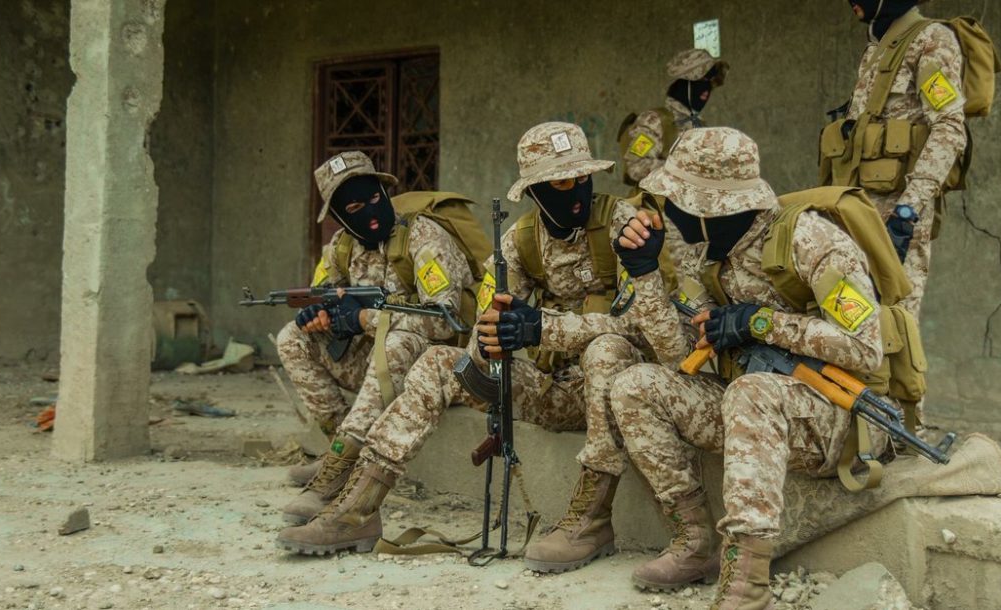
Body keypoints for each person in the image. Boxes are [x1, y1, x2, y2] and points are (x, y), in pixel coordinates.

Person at [274, 122, 689, 562]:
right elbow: (479, 332)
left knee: (607, 348)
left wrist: (541, 328)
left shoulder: (625, 225)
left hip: (621, 396)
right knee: (439, 362)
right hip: (553, 391)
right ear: (535, 190)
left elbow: (646, 329)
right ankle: (358, 505)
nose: (577, 190)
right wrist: (492, 340)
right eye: (563, 182)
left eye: (584, 177)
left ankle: (592, 518)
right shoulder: (520, 242)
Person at [610, 127, 888, 609]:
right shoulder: (707, 254)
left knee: (751, 392)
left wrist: (761, 322)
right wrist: (644, 273)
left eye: (677, 200)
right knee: (636, 385)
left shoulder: (813, 242)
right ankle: (695, 542)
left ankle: (747, 581)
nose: (667, 210)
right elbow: (679, 358)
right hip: (757, 410)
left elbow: (866, 350)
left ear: (709, 207)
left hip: (838, 415)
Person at [276, 151, 478, 525]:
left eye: (374, 198)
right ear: (340, 217)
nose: (370, 213)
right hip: (375, 368)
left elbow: (445, 320)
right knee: (292, 337)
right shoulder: (341, 246)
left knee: (394, 341)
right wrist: (321, 315)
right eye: (355, 207)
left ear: (384, 192)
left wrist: (365, 318)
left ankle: (338, 471)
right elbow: (325, 292)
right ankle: (340, 450)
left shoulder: (423, 236)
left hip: (432, 371)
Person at [838, 0, 966, 319]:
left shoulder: (931, 39)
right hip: (857, 209)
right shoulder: (878, 45)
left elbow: (949, 127)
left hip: (896, 213)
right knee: (853, 321)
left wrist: (907, 212)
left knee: (896, 322)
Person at [619, 48, 729, 189]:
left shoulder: (699, 125)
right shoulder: (655, 120)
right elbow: (636, 167)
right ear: (684, 83)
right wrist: (684, 172)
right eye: (703, 80)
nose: (707, 88)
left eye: (711, 81)